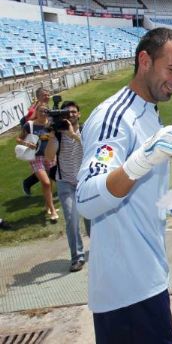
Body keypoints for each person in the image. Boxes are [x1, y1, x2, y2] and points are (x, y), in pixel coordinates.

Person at [76, 28, 172, 344]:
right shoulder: (116, 117)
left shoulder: (148, 113)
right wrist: (139, 161)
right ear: (144, 60)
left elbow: (144, 195)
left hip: (147, 279)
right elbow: (87, 199)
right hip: (126, 292)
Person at [45, 100, 90, 272]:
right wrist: (50, 137)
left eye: (73, 112)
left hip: (85, 182)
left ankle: (100, 248)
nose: (70, 115)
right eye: (66, 112)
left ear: (78, 114)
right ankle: (77, 257)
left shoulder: (86, 131)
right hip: (66, 183)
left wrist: (73, 135)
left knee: (91, 219)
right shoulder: (57, 134)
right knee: (71, 221)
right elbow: (49, 157)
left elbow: (92, 149)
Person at [16, 104, 59, 222]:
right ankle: (53, 210)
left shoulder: (51, 123)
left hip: (49, 155)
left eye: (46, 111)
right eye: (41, 111)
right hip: (35, 157)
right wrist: (27, 144)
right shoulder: (29, 125)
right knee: (45, 182)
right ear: (36, 112)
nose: (43, 113)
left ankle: (48, 206)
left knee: (50, 183)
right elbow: (18, 139)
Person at [21, 87, 50, 196]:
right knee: (44, 172)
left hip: (46, 144)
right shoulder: (34, 110)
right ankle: (27, 183)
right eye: (44, 95)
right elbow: (29, 124)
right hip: (36, 147)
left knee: (48, 171)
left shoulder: (45, 108)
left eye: (48, 94)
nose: (47, 96)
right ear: (38, 97)